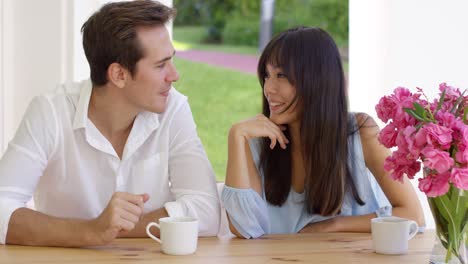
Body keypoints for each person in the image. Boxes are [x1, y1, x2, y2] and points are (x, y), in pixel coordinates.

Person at [0, 0, 220, 247]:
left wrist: (110, 229)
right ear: (118, 75)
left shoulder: (173, 109)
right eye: (160, 65)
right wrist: (90, 232)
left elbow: (207, 212)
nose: (174, 75)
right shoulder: (50, 112)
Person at [221, 26, 425, 239]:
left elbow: (413, 215)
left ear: (317, 79)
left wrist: (334, 225)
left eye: (281, 75)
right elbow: (244, 228)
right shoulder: (257, 140)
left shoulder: (359, 132)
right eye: (266, 75)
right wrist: (236, 136)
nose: (268, 88)